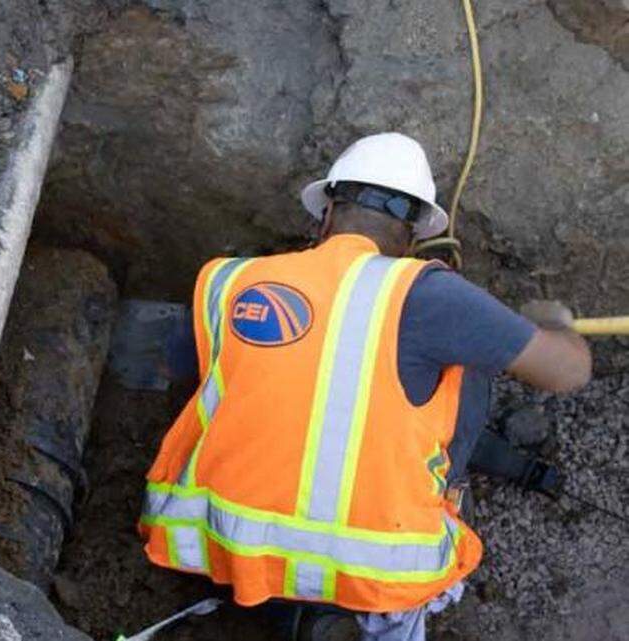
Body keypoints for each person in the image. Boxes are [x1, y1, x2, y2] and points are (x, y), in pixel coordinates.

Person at [138, 132, 592, 641]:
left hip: (219, 547)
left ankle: (266, 605)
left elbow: (181, 373)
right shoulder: (429, 293)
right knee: (469, 359)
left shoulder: (230, 280)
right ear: (413, 237)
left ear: (326, 215)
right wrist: (560, 324)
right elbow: (567, 371)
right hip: (379, 568)